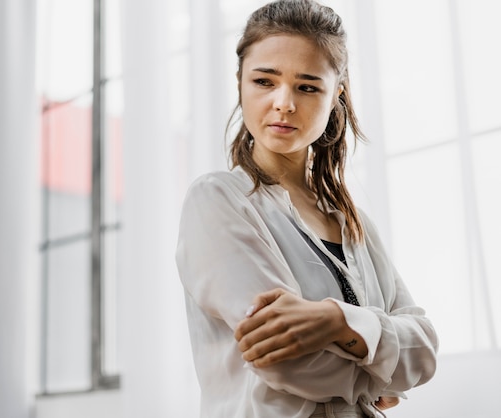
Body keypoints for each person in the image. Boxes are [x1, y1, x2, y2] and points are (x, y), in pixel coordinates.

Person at [175, 1, 439, 417]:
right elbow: (286, 362)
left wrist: (338, 322)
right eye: (264, 81)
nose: (283, 103)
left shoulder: (352, 223)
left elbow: (424, 347)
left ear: (337, 94)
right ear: (241, 82)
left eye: (308, 86)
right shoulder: (218, 200)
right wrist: (379, 372)